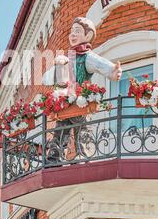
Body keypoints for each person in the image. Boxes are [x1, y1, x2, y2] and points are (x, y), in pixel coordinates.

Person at [43, 17, 122, 161]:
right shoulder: (67, 58)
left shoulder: (87, 57)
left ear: (88, 36)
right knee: (61, 128)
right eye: (72, 31)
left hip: (81, 101)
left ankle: (85, 155)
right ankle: (55, 157)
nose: (72, 34)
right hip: (66, 102)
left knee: (83, 129)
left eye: (77, 31)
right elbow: (46, 79)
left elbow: (101, 64)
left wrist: (113, 71)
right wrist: (58, 66)